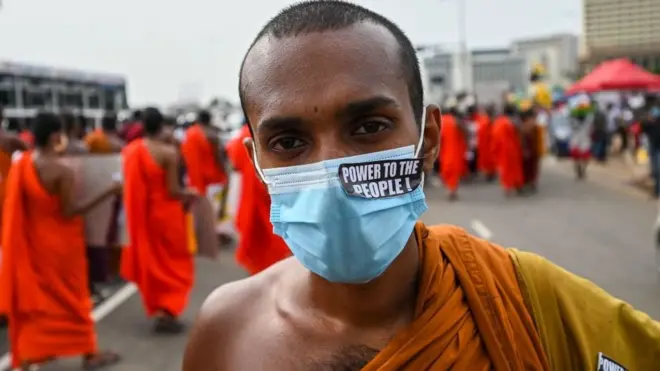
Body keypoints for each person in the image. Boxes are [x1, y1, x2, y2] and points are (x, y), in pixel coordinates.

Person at [183, 3, 660, 370]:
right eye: (288, 142)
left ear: (428, 139)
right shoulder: (227, 333)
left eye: (369, 127)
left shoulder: (525, 300)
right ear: (257, 163)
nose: (333, 169)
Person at [0, 112, 121, 370]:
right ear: (56, 135)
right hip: (63, 246)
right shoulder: (60, 171)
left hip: (34, 244)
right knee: (74, 299)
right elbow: (70, 211)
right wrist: (108, 191)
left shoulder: (25, 164)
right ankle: (89, 353)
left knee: (40, 302)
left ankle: (32, 352)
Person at [121, 107, 196, 334]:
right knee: (175, 263)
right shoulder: (168, 153)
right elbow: (173, 190)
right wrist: (190, 194)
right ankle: (168, 310)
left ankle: (161, 310)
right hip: (167, 215)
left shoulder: (131, 150)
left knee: (154, 261)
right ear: (162, 125)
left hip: (144, 214)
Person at [225, 119, 291, 275]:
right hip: (272, 195)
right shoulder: (275, 131)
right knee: (277, 234)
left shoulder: (240, 136)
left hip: (251, 196)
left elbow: (235, 163)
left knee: (256, 236)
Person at [492, 102, 524, 196]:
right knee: (515, 168)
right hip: (513, 148)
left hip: (501, 149)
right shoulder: (514, 121)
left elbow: (494, 136)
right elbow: (520, 132)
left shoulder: (498, 121)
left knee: (505, 168)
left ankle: (507, 188)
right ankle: (518, 187)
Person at [438, 96, 467, 200]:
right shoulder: (456, 121)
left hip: (444, 151)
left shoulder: (440, 121)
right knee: (453, 171)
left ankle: (451, 189)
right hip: (454, 151)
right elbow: (464, 133)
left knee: (447, 170)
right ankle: (452, 189)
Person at [568, 94, 595, 181]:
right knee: (576, 157)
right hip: (576, 138)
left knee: (586, 157)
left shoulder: (589, 116)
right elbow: (571, 125)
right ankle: (578, 171)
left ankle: (583, 170)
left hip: (585, 138)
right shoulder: (573, 116)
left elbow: (591, 126)